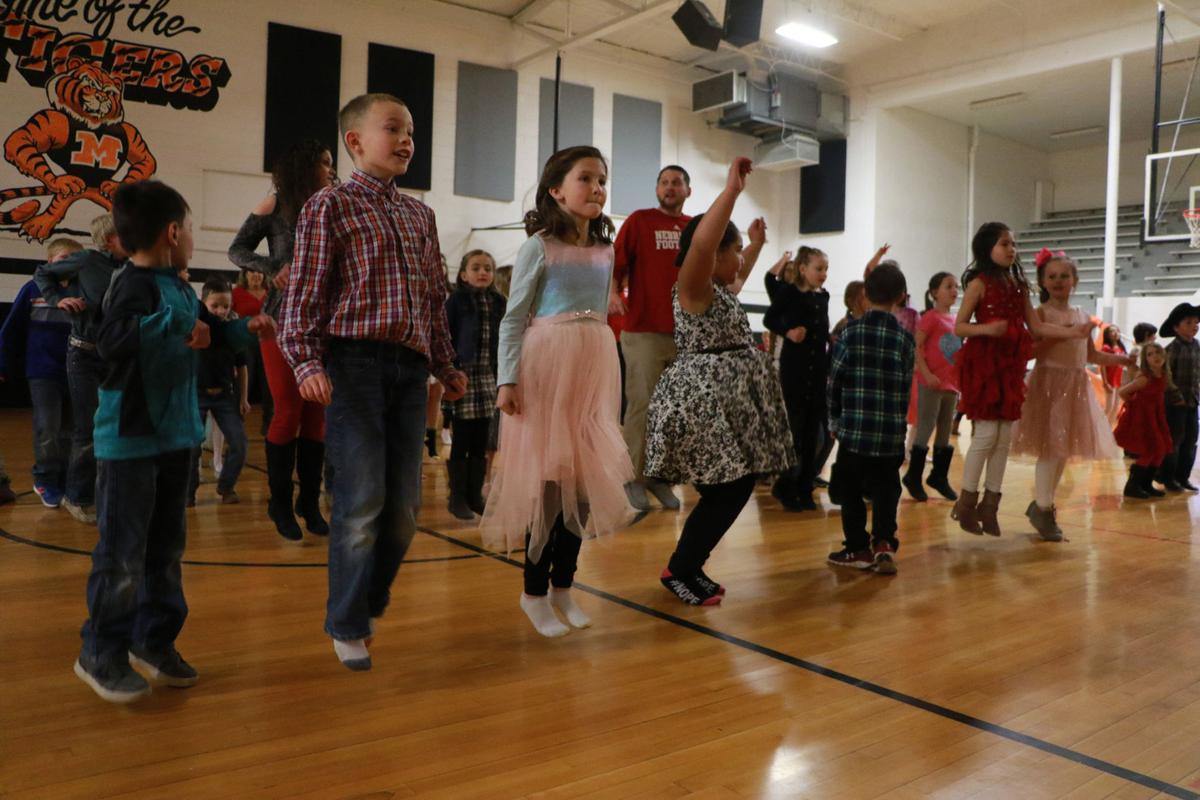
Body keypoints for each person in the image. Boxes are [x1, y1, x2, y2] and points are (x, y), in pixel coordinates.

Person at [279, 93, 466, 669]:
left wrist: (445, 363)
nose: (407, 139)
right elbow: (304, 296)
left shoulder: (421, 216)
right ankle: (347, 618)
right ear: (355, 141)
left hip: (409, 374)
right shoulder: (328, 206)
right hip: (354, 367)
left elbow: (433, 302)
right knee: (362, 501)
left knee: (405, 510)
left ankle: (366, 594)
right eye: (394, 129)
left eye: (411, 131)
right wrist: (307, 363)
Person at [74, 180, 274, 703]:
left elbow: (210, 331)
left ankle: (153, 640)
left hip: (176, 439)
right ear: (172, 232)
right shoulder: (130, 283)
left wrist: (247, 329)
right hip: (130, 442)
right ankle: (99, 651)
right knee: (122, 554)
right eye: (188, 230)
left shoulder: (181, 288)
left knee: (165, 551)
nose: (191, 239)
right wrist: (176, 324)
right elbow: (111, 342)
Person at [481, 145, 634, 637]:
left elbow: (603, 309)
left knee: (585, 485)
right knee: (550, 485)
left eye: (602, 180)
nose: (597, 188)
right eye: (586, 178)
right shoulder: (539, 245)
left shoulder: (606, 250)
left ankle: (566, 585)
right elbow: (514, 317)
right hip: (548, 366)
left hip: (593, 363)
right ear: (556, 189)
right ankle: (534, 592)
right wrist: (508, 379)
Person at [643, 157, 792, 605]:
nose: (739, 257)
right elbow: (707, 247)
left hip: (724, 397)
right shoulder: (693, 286)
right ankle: (681, 567)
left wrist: (758, 244)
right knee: (729, 488)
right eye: (735, 248)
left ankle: (689, 564)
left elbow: (736, 267)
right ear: (710, 253)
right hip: (701, 400)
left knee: (730, 487)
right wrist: (731, 192)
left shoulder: (722, 290)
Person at [951, 223, 1092, 536]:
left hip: (1010, 365)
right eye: (1004, 244)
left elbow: (1037, 328)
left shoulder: (1018, 284)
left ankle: (990, 505)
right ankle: (966, 502)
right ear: (988, 248)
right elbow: (959, 327)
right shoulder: (979, 282)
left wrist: (1071, 332)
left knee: (1003, 440)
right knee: (987, 436)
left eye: (1013, 244)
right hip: (986, 363)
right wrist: (987, 329)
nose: (1011, 249)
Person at [229, 139, 335, 541]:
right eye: (324, 161)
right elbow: (236, 248)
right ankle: (279, 503)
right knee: (288, 410)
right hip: (281, 318)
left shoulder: (333, 204)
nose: (330, 168)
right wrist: (273, 265)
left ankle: (309, 503)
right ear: (304, 165)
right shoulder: (275, 203)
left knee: (316, 416)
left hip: (323, 321)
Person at [1009, 251, 1127, 540]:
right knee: (1050, 449)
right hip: (1049, 383)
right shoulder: (1040, 315)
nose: (1058, 281)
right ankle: (1044, 507)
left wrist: (1123, 361)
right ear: (1042, 282)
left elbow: (1090, 354)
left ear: (1074, 280)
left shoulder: (1082, 316)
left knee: (1063, 450)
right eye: (1052, 276)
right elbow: (1031, 352)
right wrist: (1064, 334)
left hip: (1075, 385)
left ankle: (1043, 506)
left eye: (1064, 276)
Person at [34, 214, 129, 524]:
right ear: (110, 239)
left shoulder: (128, 268)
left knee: (112, 426)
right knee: (86, 428)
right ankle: (77, 496)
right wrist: (58, 299)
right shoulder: (86, 260)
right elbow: (43, 273)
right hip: (83, 355)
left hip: (112, 356)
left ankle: (104, 491)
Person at [609, 165, 693, 513]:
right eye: (664, 182)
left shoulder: (694, 228)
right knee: (641, 407)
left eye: (676, 182)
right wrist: (614, 292)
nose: (670, 187)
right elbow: (615, 262)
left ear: (688, 190)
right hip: (642, 329)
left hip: (685, 334)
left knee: (673, 412)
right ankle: (632, 477)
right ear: (656, 188)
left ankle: (660, 477)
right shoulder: (640, 221)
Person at [825, 262, 914, 574]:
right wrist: (899, 427)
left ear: (865, 293)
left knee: (850, 491)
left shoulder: (849, 332)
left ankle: (858, 548)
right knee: (887, 489)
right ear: (901, 297)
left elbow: (834, 381)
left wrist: (834, 421)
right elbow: (904, 388)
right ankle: (885, 542)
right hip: (889, 433)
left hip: (854, 431)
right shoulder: (905, 339)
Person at [0, 237, 79, 507]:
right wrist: (4, 364)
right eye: (62, 258)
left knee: (70, 429)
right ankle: (45, 479)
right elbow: (10, 331)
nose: (68, 263)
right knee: (48, 427)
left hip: (76, 372)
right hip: (42, 372)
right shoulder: (32, 289)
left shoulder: (84, 292)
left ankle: (68, 477)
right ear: (49, 262)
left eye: (74, 258)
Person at [764, 245, 829, 511]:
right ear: (803, 269)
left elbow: (822, 329)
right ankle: (786, 484)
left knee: (813, 430)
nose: (823, 274)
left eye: (826, 269)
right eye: (819, 269)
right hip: (795, 370)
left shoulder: (822, 297)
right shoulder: (789, 292)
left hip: (817, 371)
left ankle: (805, 486)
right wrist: (789, 332)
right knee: (796, 430)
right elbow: (770, 318)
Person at [444, 249, 506, 520]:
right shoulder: (456, 301)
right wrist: (449, 370)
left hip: (488, 376)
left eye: (488, 269)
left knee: (482, 437)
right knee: (462, 438)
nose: (482, 273)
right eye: (476, 268)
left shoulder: (499, 302)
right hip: (463, 375)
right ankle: (456, 496)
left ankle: (474, 494)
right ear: (463, 274)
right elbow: (447, 335)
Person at [187, 275, 250, 506]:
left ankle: (226, 486)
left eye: (226, 306)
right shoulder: (196, 327)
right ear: (204, 304)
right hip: (197, 394)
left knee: (240, 444)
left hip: (225, 395)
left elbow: (242, 367)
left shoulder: (232, 331)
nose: (221, 311)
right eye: (215, 306)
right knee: (192, 447)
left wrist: (243, 397)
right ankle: (189, 493)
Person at [902, 272, 961, 502]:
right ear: (935, 292)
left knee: (945, 432)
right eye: (949, 286)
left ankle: (938, 476)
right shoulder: (930, 318)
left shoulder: (956, 319)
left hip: (950, 384)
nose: (954, 291)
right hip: (930, 382)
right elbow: (916, 347)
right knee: (925, 427)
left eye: (956, 287)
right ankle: (914, 476)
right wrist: (926, 373)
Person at [1115, 343, 1173, 499]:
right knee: (1151, 450)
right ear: (1145, 360)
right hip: (1144, 417)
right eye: (1150, 354)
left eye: (1158, 352)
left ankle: (1145, 484)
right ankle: (1132, 486)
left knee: (1160, 449)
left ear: (1164, 355)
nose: (1155, 356)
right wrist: (1132, 404)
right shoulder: (1144, 378)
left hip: (1156, 415)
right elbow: (1122, 392)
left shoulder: (1163, 374)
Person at [1156, 302, 1200, 492]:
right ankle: (1168, 477)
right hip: (1175, 404)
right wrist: (1175, 395)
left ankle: (1183, 477)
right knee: (1174, 442)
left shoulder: (1197, 346)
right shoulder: (1172, 349)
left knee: (1191, 441)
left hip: (1192, 401)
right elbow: (1166, 376)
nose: (1195, 325)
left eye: (1196, 322)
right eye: (1189, 322)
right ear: (1176, 327)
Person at [232, 267, 271, 431]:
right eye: (251, 272)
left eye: (259, 272)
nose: (256, 274)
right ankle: (237, 425)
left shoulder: (271, 292)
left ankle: (269, 425)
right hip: (245, 343)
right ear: (245, 275)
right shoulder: (237, 293)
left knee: (269, 383)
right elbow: (230, 315)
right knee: (244, 384)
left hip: (268, 342)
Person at [1100, 324, 1127, 425]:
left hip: (1119, 381)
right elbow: (1102, 365)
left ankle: (1109, 432)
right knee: (1109, 408)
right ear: (1107, 335)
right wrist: (1105, 382)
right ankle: (1100, 429)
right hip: (1110, 380)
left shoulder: (1121, 347)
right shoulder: (1106, 347)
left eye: (1117, 331)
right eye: (1112, 331)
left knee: (1115, 408)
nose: (1115, 333)